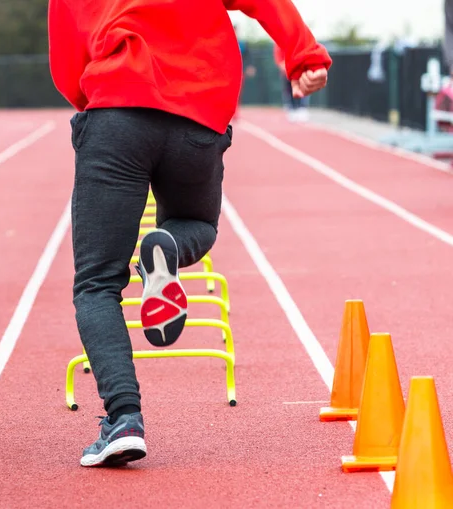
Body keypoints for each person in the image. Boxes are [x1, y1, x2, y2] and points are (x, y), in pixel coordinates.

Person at [48, 0, 331, 467]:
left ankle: (124, 420)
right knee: (198, 224)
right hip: (199, 114)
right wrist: (305, 55)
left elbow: (65, 54)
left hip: (117, 112)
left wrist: (98, 104)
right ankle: (170, 249)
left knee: (97, 284)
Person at [274, 43, 311, 122]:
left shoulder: (300, 38)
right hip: (287, 70)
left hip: (300, 68)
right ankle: (292, 108)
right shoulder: (280, 41)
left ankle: (302, 108)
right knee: (289, 89)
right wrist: (282, 65)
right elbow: (278, 55)